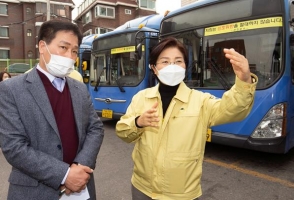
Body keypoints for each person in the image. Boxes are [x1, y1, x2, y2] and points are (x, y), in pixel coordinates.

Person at [116, 37, 258, 200]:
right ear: (154, 68)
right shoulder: (142, 98)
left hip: (182, 194)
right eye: (165, 61)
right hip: (142, 188)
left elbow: (233, 109)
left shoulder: (200, 101)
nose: (172, 67)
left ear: (185, 66)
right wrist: (138, 122)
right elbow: (122, 131)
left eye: (178, 61)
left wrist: (244, 81)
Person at [0, 20, 104, 200]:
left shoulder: (79, 88)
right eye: (63, 47)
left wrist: (80, 166)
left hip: (81, 188)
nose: (70, 57)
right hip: (33, 191)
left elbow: (95, 128)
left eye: (74, 51)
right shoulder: (11, 89)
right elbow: (14, 147)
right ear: (42, 46)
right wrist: (65, 175)